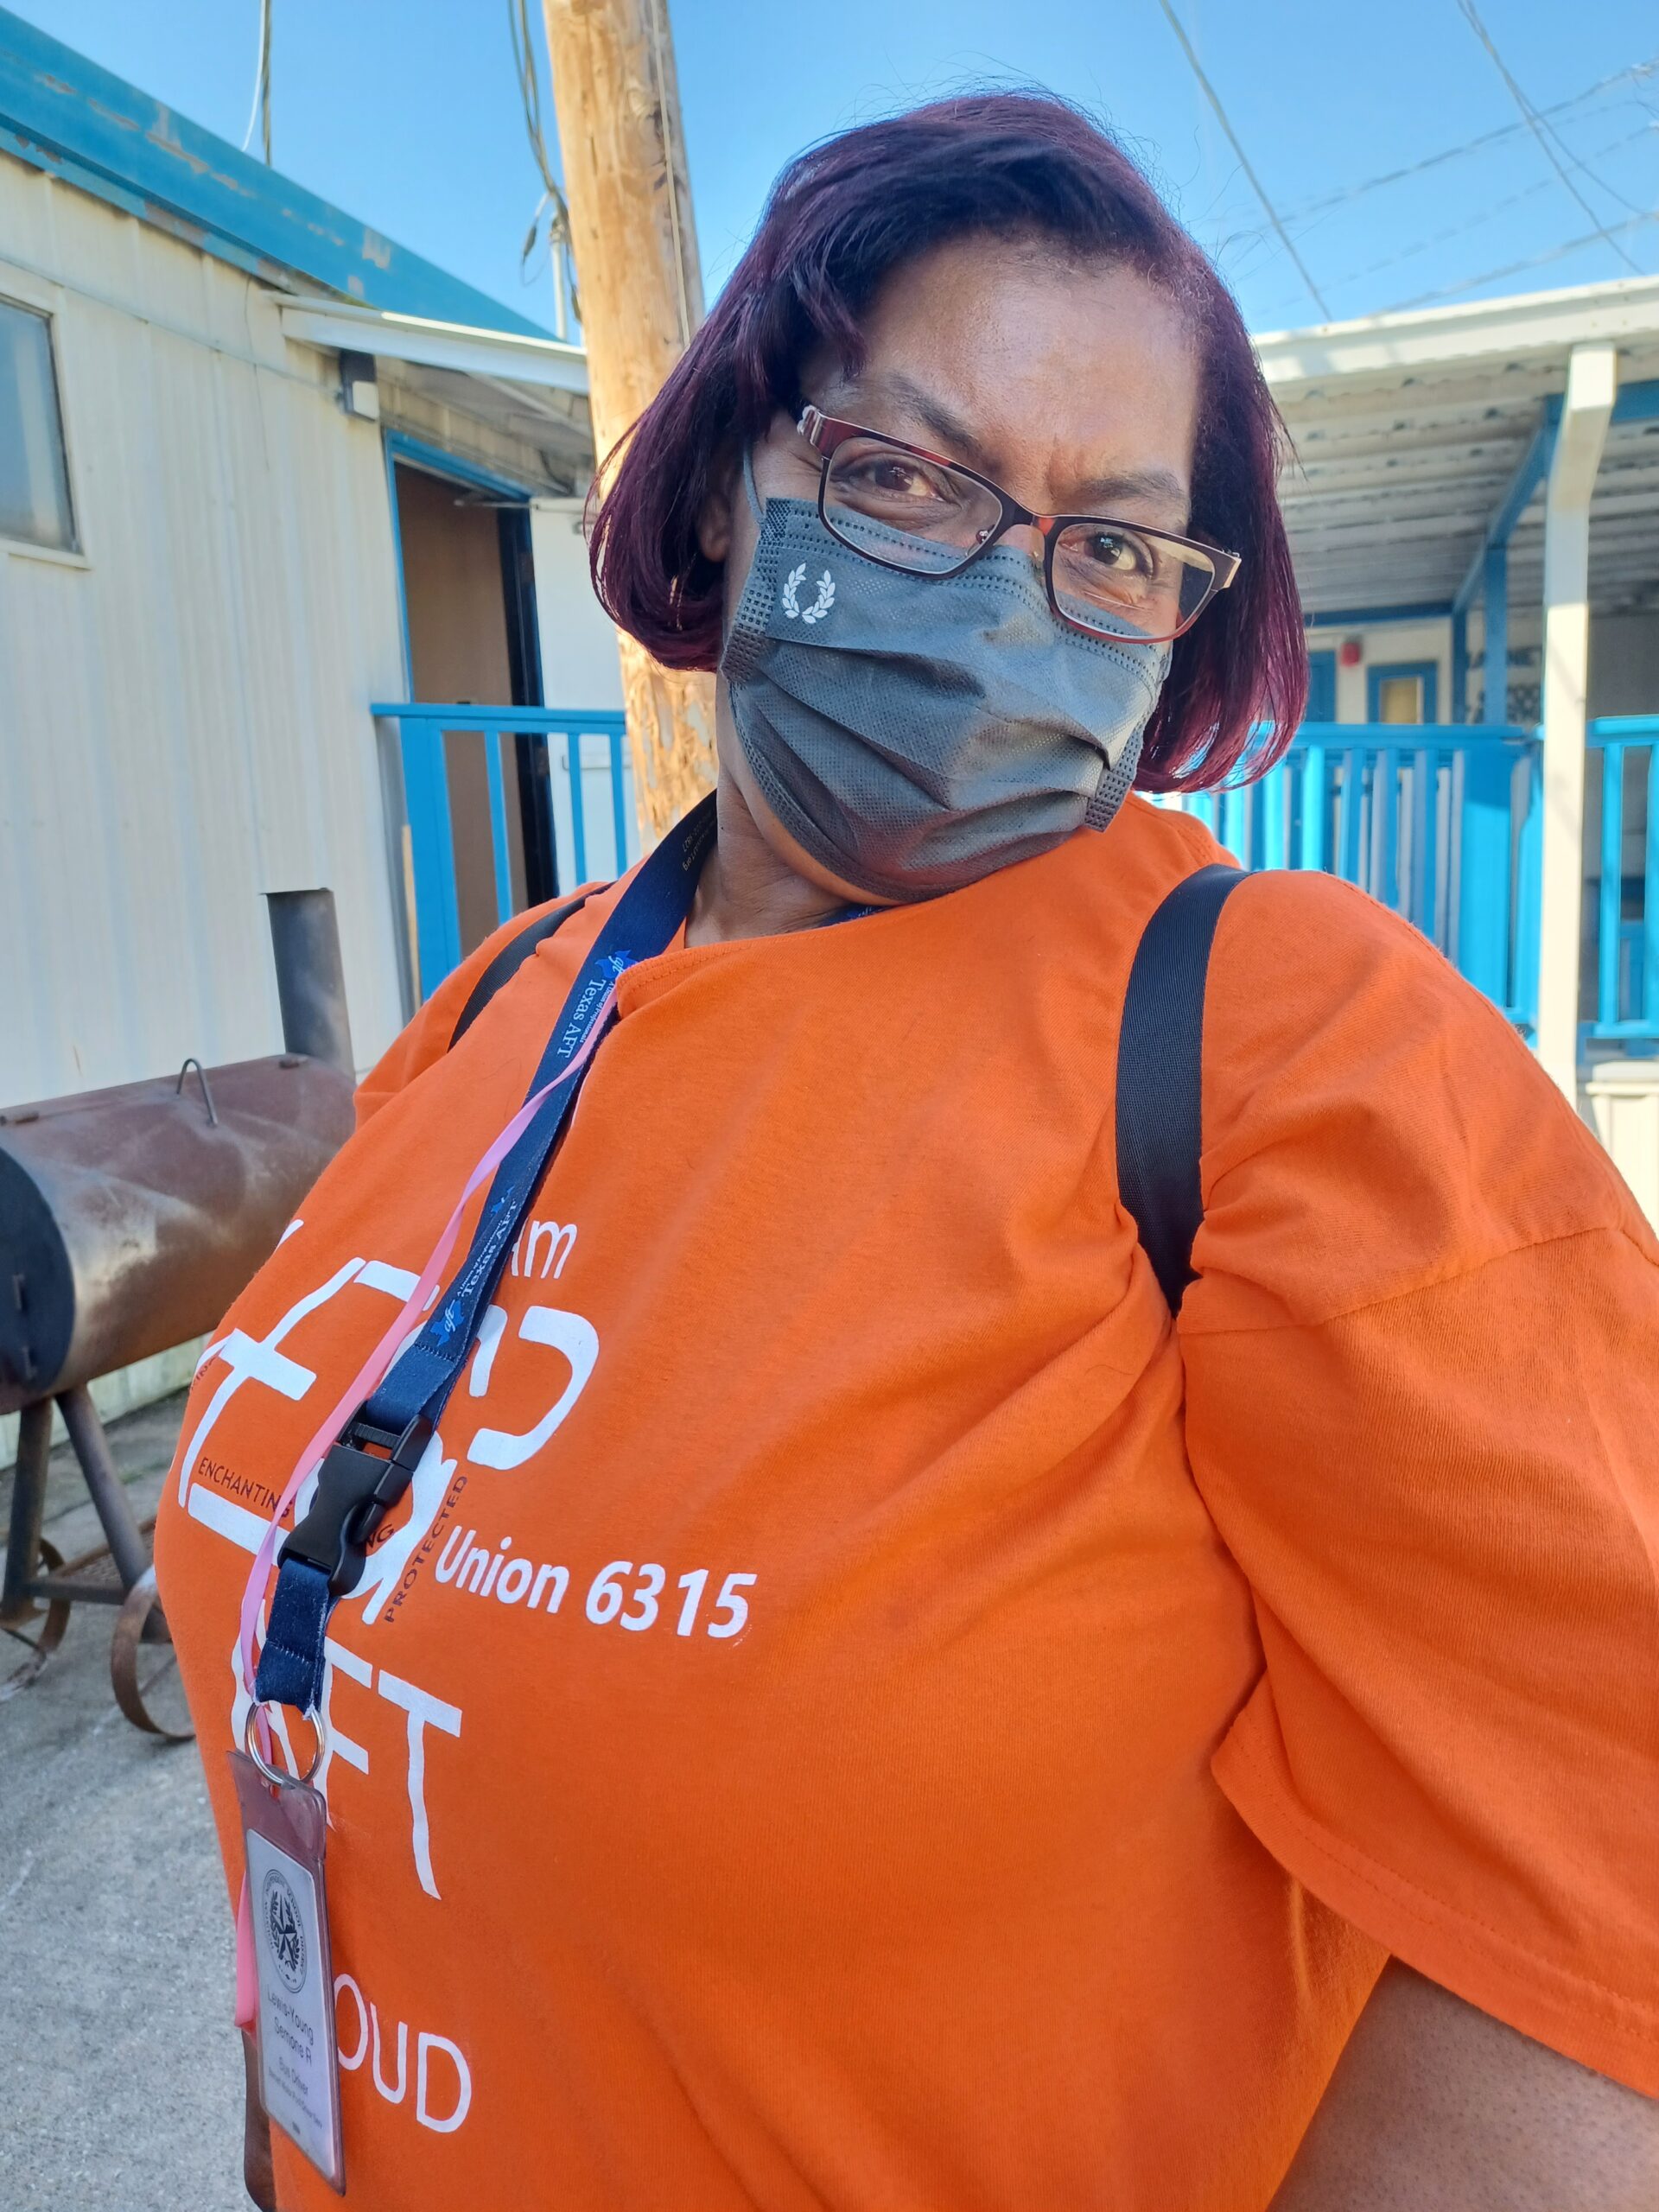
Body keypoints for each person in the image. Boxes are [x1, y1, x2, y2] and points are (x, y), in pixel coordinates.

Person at [156, 92, 1659, 2212]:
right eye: (904, 475)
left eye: (1112, 544)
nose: (1004, 600)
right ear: (725, 491)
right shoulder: (506, 993)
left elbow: (1603, 1909)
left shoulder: (1279, 1038)